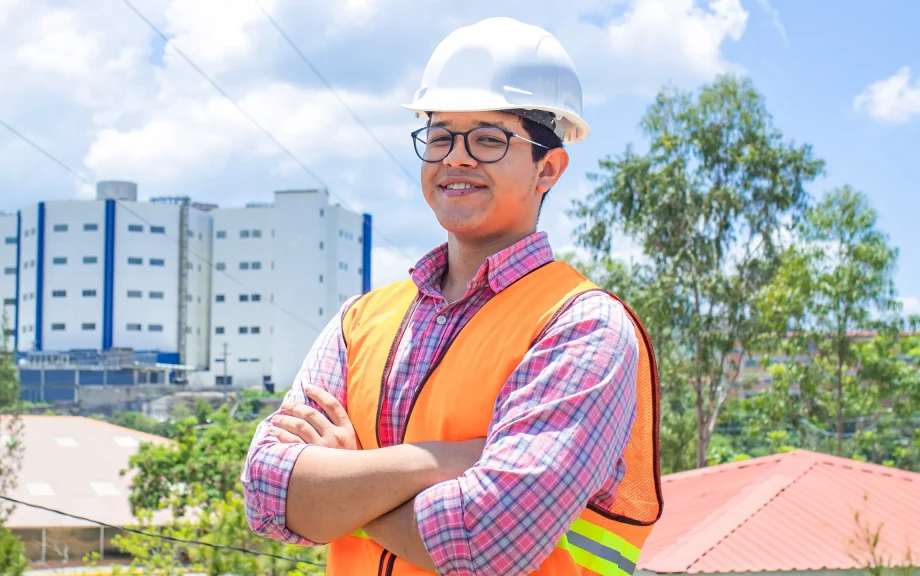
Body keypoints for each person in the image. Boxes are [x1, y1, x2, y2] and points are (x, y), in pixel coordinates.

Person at [241, 16, 662, 576]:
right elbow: (268, 498)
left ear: (549, 168)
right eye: (439, 137)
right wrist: (443, 462)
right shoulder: (361, 321)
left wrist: (345, 486)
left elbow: (488, 541)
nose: (455, 158)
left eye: (489, 139)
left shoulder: (582, 326)